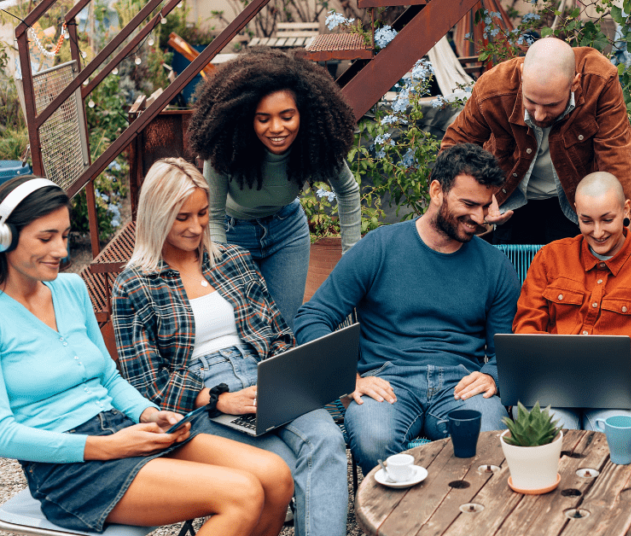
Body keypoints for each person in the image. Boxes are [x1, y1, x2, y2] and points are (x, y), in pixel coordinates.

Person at [0, 176, 292, 535]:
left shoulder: (71, 289)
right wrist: (104, 447)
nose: (61, 251)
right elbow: (4, 434)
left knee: (276, 475)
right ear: (5, 237)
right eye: (46, 238)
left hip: (123, 428)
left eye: (64, 236)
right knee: (242, 493)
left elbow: (107, 377)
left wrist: (150, 413)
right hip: (69, 468)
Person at [110, 159, 348, 536]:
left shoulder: (233, 260)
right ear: (156, 216)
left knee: (328, 441)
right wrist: (219, 398)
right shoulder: (134, 285)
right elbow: (146, 385)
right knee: (281, 466)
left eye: (203, 213)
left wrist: (289, 374)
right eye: (181, 217)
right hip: (200, 396)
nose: (196, 226)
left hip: (263, 376)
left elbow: (278, 334)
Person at [294, 144, 520, 473]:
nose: (478, 218)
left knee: (489, 442)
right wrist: (346, 377)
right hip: (388, 382)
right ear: (436, 191)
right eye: (468, 204)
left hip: (461, 385)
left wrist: (493, 375)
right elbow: (312, 317)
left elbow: (506, 346)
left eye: (484, 207)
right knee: (374, 439)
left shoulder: (495, 265)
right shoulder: (380, 247)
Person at [187, 49, 361, 329]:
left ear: (303, 114)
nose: (277, 128)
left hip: (286, 232)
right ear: (247, 119)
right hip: (233, 235)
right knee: (242, 326)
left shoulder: (314, 142)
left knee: (284, 326)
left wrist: (352, 259)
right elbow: (214, 216)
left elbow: (348, 192)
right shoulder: (226, 147)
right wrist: (220, 270)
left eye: (287, 116)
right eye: (263, 118)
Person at [512, 172, 631, 438]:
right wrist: (552, 368)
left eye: (607, 219)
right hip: (552, 385)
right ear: (576, 213)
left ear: (626, 209)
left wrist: (614, 371)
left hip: (624, 388)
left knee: (614, 439)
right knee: (544, 435)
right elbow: (526, 327)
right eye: (586, 221)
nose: (597, 232)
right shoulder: (550, 258)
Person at [441, 37, 631, 245]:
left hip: (572, 197)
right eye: (531, 103)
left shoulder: (599, 81)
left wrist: (623, 221)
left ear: (575, 83)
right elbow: (455, 149)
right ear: (523, 76)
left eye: (552, 105)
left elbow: (616, 152)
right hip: (510, 197)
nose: (540, 115)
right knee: (513, 270)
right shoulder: (492, 87)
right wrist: (479, 198)